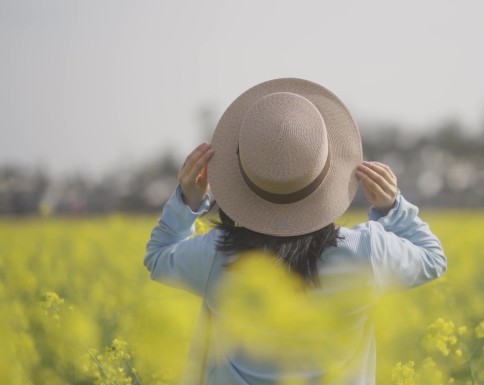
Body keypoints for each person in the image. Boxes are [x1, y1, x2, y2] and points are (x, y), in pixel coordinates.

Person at [144, 78, 447, 385]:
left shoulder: (215, 256)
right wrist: (393, 208)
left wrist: (188, 201)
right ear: (326, 172)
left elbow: (158, 258)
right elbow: (433, 258)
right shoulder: (368, 253)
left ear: (243, 176)